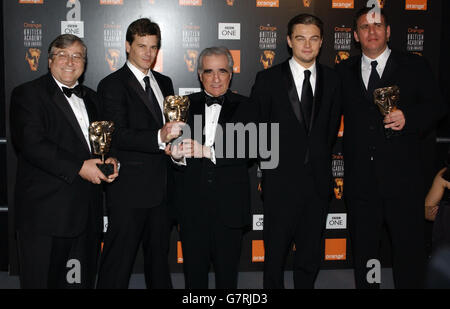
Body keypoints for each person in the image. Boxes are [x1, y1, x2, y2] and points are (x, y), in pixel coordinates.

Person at [336, 7, 446, 288]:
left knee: (409, 253)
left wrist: (409, 118)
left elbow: (437, 107)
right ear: (356, 36)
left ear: (388, 31)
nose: (371, 32)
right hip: (361, 184)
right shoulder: (342, 71)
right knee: (366, 254)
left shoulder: (414, 65)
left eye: (377, 26)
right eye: (364, 27)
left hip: (404, 181)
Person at [10, 34, 118, 289]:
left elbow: (103, 142)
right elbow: (31, 143)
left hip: (86, 214)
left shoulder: (93, 98)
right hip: (45, 217)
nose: (70, 61)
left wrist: (110, 160)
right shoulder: (27, 94)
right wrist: (80, 167)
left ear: (85, 62)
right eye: (63, 54)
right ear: (49, 61)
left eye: (77, 56)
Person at [250, 14, 341, 289]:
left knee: (310, 258)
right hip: (280, 186)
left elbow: (331, 129)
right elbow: (256, 130)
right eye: (300, 38)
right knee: (274, 258)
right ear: (289, 41)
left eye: (314, 38)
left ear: (322, 41)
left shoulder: (335, 80)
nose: (307, 45)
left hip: (318, 185)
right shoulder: (267, 79)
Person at [96, 18, 182, 289]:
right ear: (127, 46)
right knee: (117, 265)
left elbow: (170, 129)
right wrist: (159, 137)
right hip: (129, 190)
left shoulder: (165, 82)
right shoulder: (112, 84)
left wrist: (174, 146)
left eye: (154, 47)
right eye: (142, 46)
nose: (148, 53)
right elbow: (117, 134)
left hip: (162, 191)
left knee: (159, 263)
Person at [168, 47, 254, 289]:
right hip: (191, 209)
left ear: (231, 74)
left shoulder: (248, 106)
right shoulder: (183, 105)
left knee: (228, 279)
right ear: (199, 74)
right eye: (209, 72)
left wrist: (207, 151)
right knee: (194, 279)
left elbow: (253, 148)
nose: (216, 78)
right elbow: (176, 152)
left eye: (222, 71)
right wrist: (176, 156)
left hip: (230, 208)